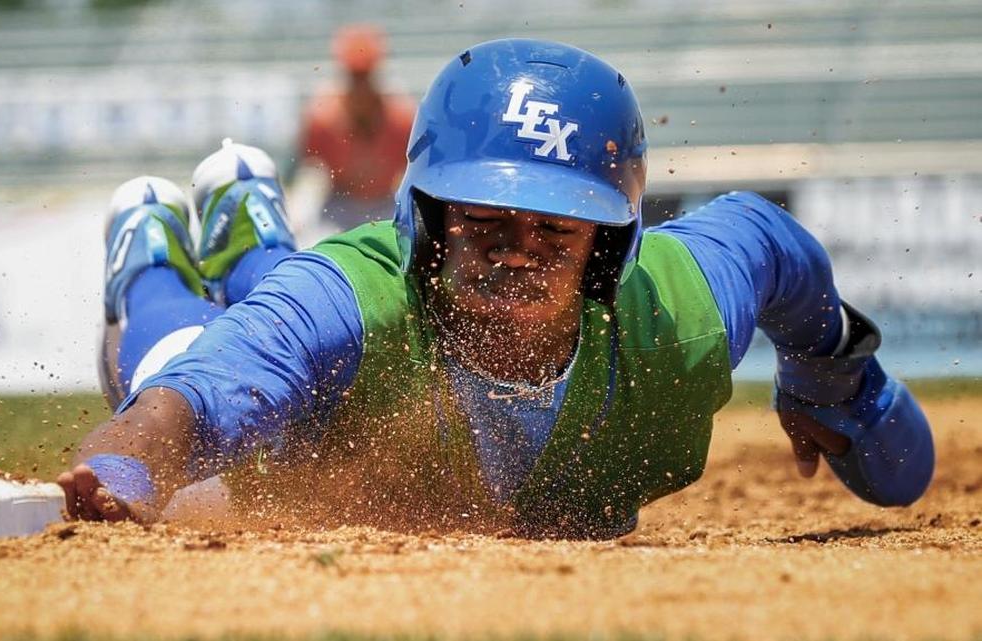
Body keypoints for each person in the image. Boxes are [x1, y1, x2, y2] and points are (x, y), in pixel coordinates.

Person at [60, 39, 935, 538]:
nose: (520, 252)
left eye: (558, 228)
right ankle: (149, 248)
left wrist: (830, 376)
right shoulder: (352, 300)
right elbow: (196, 399)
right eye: (484, 222)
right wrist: (123, 465)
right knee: (180, 361)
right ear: (428, 219)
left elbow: (772, 241)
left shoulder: (683, 308)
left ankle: (244, 211)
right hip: (298, 417)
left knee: (906, 474)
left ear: (610, 245)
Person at [296, 23, 416, 233]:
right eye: (354, 76)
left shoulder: (401, 115)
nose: (361, 85)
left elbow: (414, 175)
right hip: (339, 206)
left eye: (366, 76)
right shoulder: (322, 115)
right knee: (307, 235)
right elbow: (310, 172)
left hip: (386, 205)